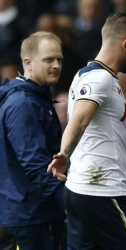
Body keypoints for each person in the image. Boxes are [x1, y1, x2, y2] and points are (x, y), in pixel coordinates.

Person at [47, 13, 126, 250]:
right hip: (104, 194)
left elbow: (113, 152)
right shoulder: (100, 79)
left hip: (80, 193)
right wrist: (64, 153)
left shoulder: (85, 76)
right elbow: (78, 121)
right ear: (125, 44)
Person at [0, 31, 66, 250]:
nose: (56, 65)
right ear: (28, 63)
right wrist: (69, 201)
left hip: (36, 212)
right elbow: (35, 164)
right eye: (49, 59)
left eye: (59, 59)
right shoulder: (23, 104)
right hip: (31, 215)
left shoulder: (36, 97)